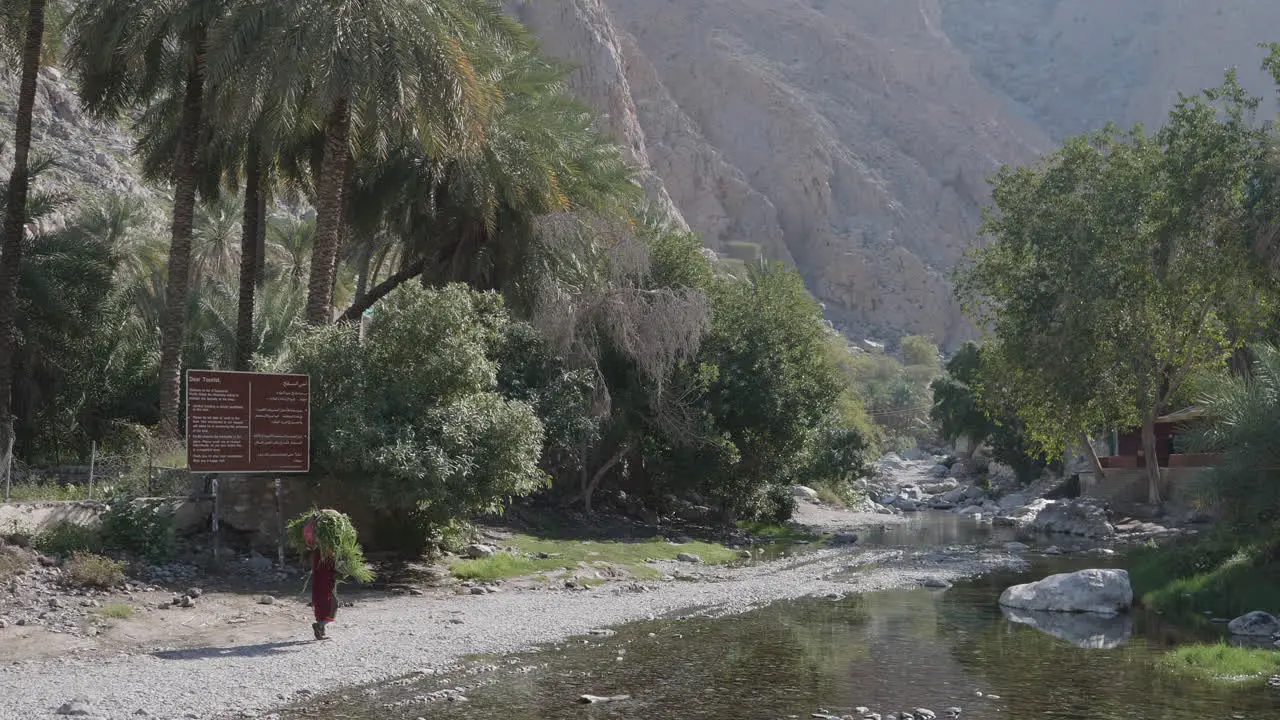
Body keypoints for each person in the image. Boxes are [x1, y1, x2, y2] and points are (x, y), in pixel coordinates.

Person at [311, 549, 338, 640]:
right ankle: (319, 625)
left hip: (317, 586)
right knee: (333, 606)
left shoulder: (317, 552)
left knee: (321, 607)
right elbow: (330, 571)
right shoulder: (327, 554)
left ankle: (321, 631)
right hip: (326, 585)